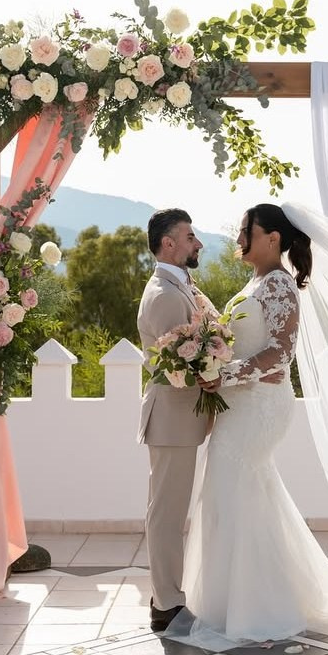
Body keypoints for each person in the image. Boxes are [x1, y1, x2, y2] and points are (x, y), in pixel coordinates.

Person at [183, 203, 328, 643]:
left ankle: (257, 607)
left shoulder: (279, 284)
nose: (238, 238)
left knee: (232, 489)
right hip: (240, 404)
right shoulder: (257, 282)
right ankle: (241, 601)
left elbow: (282, 353)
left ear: (273, 238)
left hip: (261, 406)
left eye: (246, 230)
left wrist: (226, 374)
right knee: (238, 494)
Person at [136, 208, 210, 632]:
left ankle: (164, 594)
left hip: (179, 421)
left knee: (168, 509)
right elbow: (177, 367)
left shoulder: (179, 285)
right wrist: (214, 374)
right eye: (190, 237)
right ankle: (166, 604)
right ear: (169, 243)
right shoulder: (164, 295)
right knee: (166, 513)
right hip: (171, 418)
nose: (198, 244)